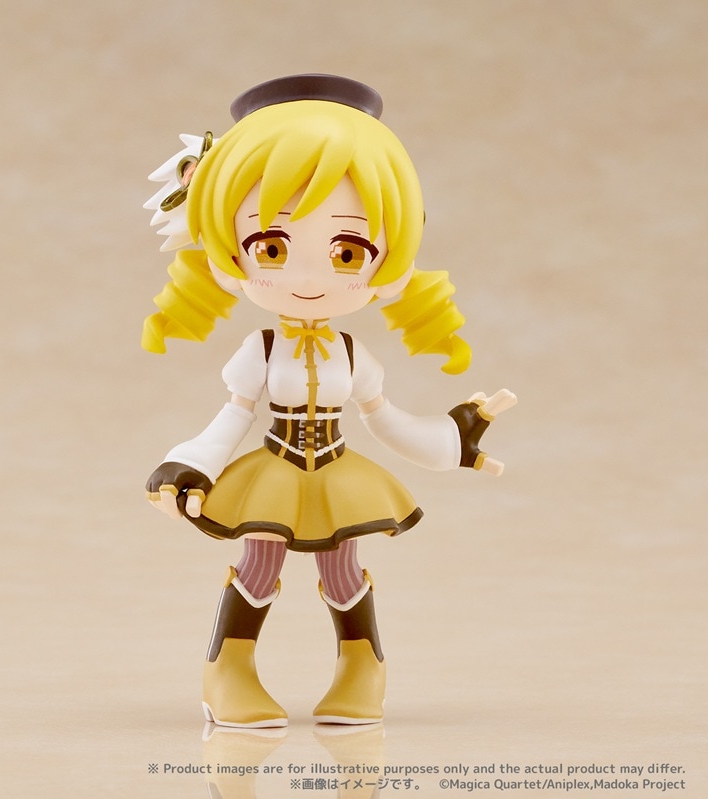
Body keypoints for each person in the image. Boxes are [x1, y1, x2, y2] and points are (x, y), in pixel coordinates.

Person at [143, 74, 515, 728]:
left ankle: (361, 670)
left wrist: (451, 440)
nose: (310, 278)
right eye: (272, 248)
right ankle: (228, 670)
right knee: (259, 561)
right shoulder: (261, 350)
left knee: (344, 568)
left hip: (339, 472)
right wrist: (189, 464)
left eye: (347, 251)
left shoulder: (352, 354)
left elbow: (385, 420)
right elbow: (232, 415)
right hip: (274, 469)